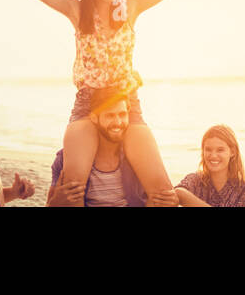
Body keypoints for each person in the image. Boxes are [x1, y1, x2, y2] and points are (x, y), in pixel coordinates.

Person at [0, 0, 245, 200]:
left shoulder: (132, 8)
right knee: (71, 189)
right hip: (87, 105)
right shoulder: (76, 10)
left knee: (163, 193)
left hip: (127, 106)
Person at [48, 87, 178, 207]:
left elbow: (161, 197)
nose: (118, 122)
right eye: (110, 115)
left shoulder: (137, 158)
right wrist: (55, 202)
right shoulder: (65, 159)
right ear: (94, 118)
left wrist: (173, 199)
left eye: (122, 114)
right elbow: (49, 204)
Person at [174, 124, 245, 207]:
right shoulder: (195, 180)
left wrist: (186, 199)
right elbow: (177, 192)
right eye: (208, 149)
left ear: (232, 152)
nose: (213, 156)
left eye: (220, 150)